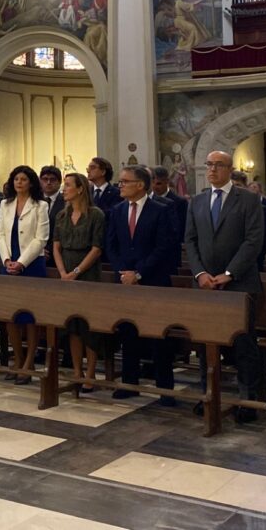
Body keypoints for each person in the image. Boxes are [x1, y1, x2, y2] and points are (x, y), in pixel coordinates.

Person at [184, 151, 264, 422]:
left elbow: (253, 240)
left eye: (218, 165)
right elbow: (190, 240)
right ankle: (207, 394)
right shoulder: (197, 201)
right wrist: (200, 273)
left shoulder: (248, 200)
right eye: (209, 165)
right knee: (205, 342)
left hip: (239, 283)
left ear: (230, 169)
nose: (212, 169)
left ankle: (247, 400)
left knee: (243, 344)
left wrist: (229, 273)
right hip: (205, 285)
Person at [104, 165, 178, 405]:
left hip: (153, 280)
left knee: (159, 336)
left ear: (140, 185)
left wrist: (139, 273)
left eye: (125, 181)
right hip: (125, 282)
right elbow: (111, 245)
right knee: (128, 333)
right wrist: (123, 272)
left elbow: (164, 246)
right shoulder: (117, 210)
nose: (120, 185)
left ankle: (165, 388)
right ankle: (129, 382)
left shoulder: (161, 210)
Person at [0, 165, 49, 384]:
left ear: (31, 183)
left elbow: (41, 238)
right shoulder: (5, 204)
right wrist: (7, 260)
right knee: (11, 315)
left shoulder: (40, 205)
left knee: (30, 316)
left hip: (31, 264)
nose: (19, 182)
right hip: (9, 263)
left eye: (23, 179)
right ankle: (17, 359)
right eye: (16, 179)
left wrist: (21, 263)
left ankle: (29, 362)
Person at [51, 173, 104, 391]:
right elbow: (56, 246)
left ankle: (90, 373)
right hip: (66, 273)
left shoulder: (95, 214)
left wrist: (76, 272)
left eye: (68, 185)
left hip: (87, 274)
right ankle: (76, 371)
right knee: (72, 326)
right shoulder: (62, 215)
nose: (64, 189)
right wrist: (63, 272)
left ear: (80, 189)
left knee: (88, 326)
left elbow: (96, 248)